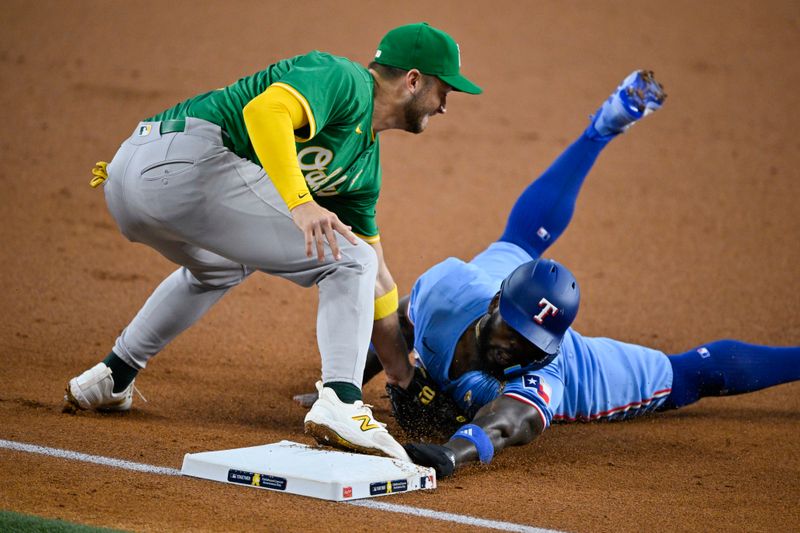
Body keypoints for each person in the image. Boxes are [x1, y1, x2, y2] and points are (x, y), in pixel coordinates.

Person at [302, 71, 800, 477]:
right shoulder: (449, 289)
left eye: (528, 343)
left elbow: (506, 423)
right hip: (490, 283)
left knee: (693, 374)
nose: (513, 349)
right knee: (519, 241)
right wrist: (344, 382)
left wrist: (454, 452)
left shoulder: (548, 368)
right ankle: (601, 128)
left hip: (589, 366)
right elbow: (397, 317)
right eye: (512, 333)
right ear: (497, 305)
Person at [63, 22, 482, 462]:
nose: (445, 106)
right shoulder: (343, 78)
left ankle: (113, 375)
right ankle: (341, 402)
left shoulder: (362, 169)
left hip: (150, 183)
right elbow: (265, 113)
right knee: (345, 258)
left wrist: (402, 373)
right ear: (413, 80)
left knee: (222, 266)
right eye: (444, 90)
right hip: (182, 161)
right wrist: (301, 202)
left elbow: (375, 275)